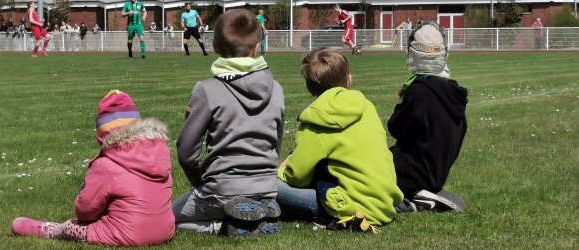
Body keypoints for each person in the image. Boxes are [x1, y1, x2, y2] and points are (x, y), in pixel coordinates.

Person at [11, 90, 175, 246]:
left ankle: (49, 229)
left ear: (103, 135)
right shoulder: (161, 153)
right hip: (166, 230)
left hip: (129, 235)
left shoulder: (105, 164)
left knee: (70, 228)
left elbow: (84, 210)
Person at [172, 9, 285, 237]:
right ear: (256, 47)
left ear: (215, 48)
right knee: (237, 198)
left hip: (221, 189)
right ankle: (260, 210)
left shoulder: (207, 89)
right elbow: (277, 142)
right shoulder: (277, 89)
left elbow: (186, 150)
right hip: (267, 188)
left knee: (165, 219)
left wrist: (200, 181)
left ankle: (224, 227)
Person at [276, 48, 402, 235]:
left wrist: (281, 169)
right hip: (385, 203)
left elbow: (298, 176)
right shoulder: (367, 107)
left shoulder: (315, 121)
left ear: (309, 87)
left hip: (349, 206)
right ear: (348, 80)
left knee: (263, 182)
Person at [387, 21, 468, 212]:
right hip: (436, 171)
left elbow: (395, 128)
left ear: (411, 54)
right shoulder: (454, 93)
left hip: (413, 171)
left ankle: (413, 199)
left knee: (365, 171)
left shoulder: (419, 91)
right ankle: (423, 192)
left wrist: (401, 104)